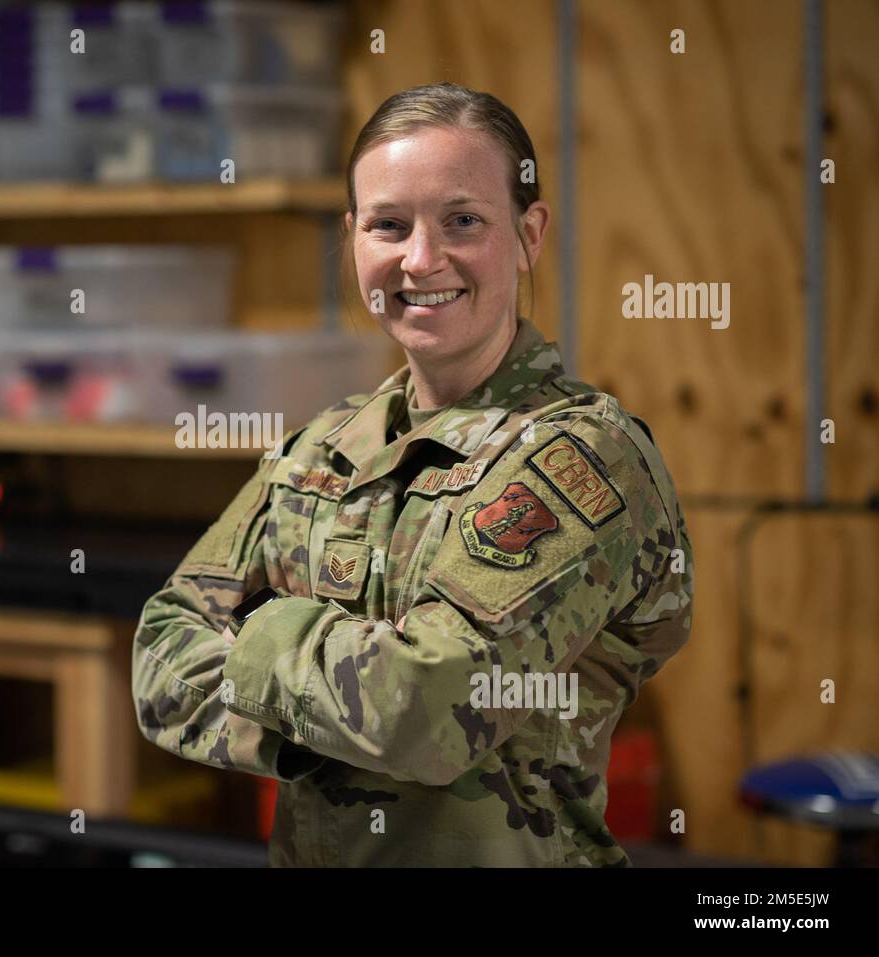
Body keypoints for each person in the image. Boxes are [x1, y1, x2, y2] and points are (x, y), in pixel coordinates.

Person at [131, 82, 694, 867]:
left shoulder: (584, 459)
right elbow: (160, 653)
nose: (421, 259)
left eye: (463, 220)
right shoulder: (318, 450)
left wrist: (259, 641)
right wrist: (331, 715)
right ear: (354, 237)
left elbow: (427, 713)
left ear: (529, 234)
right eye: (389, 224)